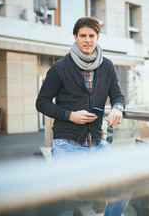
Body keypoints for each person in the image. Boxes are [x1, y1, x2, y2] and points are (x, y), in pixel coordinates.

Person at [36, 16, 128, 215]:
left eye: (92, 36)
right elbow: (41, 103)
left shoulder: (107, 66)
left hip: (97, 143)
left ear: (98, 37)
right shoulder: (60, 67)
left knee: (127, 180)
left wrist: (117, 108)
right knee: (67, 205)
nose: (88, 40)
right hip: (67, 144)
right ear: (75, 37)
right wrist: (70, 115)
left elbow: (118, 96)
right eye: (83, 36)